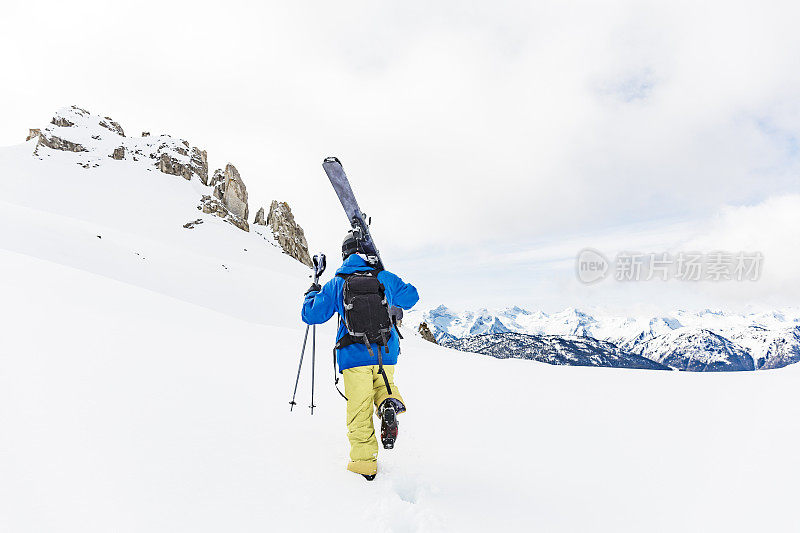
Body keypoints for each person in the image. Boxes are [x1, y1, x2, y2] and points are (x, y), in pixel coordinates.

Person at [301, 230, 419, 480]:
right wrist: (391, 281)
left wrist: (312, 292)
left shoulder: (337, 283)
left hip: (354, 355)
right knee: (383, 385)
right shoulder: (383, 277)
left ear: (344, 255)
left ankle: (364, 466)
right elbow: (412, 297)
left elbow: (311, 315)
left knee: (359, 409)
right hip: (386, 351)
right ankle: (388, 403)